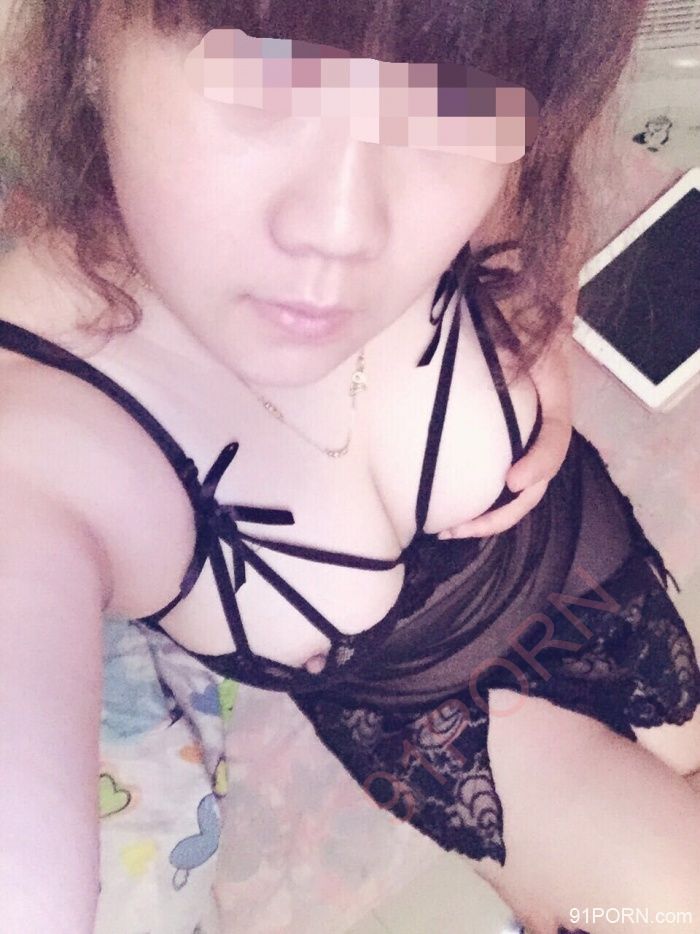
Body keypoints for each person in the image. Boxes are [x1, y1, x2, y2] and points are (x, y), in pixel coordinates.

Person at [0, 2, 698, 933]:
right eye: (264, 83)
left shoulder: (474, 164)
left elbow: (527, 171)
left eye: (443, 103)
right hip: (457, 732)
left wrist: (538, 317)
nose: (341, 229)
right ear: (90, 34)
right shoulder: (36, 445)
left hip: (592, 569)